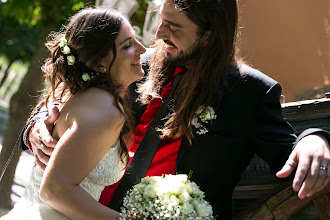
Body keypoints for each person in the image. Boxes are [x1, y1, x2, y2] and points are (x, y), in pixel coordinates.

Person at [20, 0, 330, 219]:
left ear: (209, 36)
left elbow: (286, 149)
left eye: (173, 26)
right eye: (161, 20)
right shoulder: (132, 66)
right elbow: (73, 99)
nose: (157, 35)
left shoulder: (251, 92)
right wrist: (35, 127)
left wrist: (316, 139)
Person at [2, 7, 146, 220]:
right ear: (99, 64)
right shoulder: (105, 108)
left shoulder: (80, 95)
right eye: (127, 45)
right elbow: (54, 190)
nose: (142, 49)